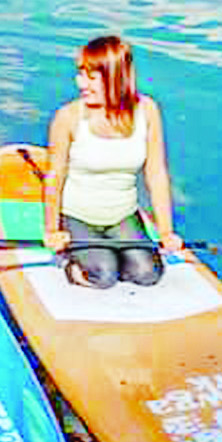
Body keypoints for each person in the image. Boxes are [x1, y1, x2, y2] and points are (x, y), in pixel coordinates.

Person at [41, 35, 183, 289]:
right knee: (104, 275)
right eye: (80, 74)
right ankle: (73, 266)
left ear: (116, 78)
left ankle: (108, 252)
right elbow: (55, 176)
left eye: (91, 77)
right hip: (77, 215)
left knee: (147, 274)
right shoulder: (68, 118)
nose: (80, 83)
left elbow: (156, 173)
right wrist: (52, 230)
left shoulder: (147, 110)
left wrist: (165, 231)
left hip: (122, 215)